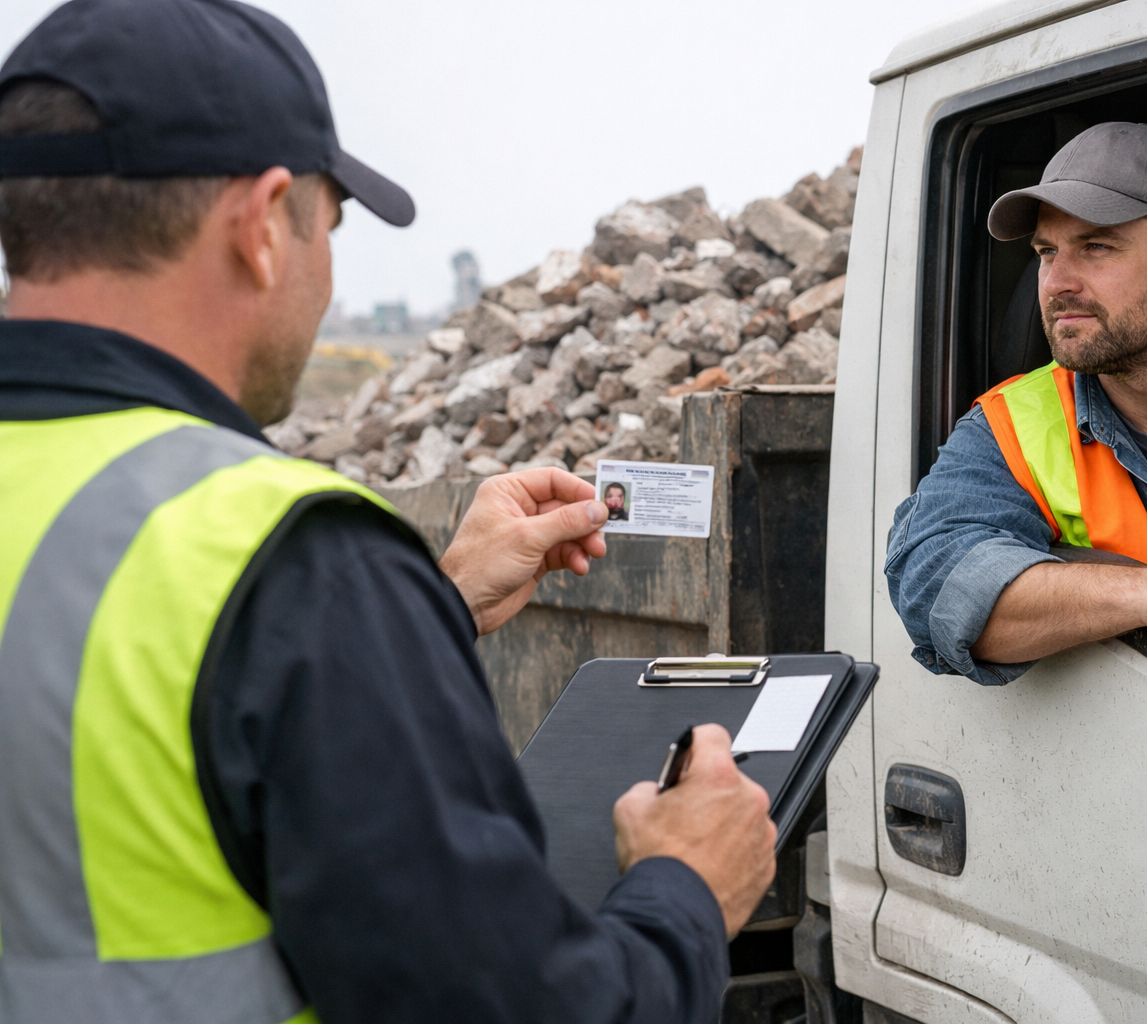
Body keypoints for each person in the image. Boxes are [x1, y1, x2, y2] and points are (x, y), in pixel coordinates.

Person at [0, 2, 774, 1022]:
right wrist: (686, 886)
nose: (328, 270)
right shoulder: (295, 566)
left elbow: (104, 691)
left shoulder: (261, 578)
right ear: (263, 224)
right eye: (330, 224)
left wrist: (429, 606)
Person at [885, 122, 1147, 686]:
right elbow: (936, 583)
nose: (1056, 282)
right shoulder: (1013, 425)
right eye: (1046, 252)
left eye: (1096, 247)